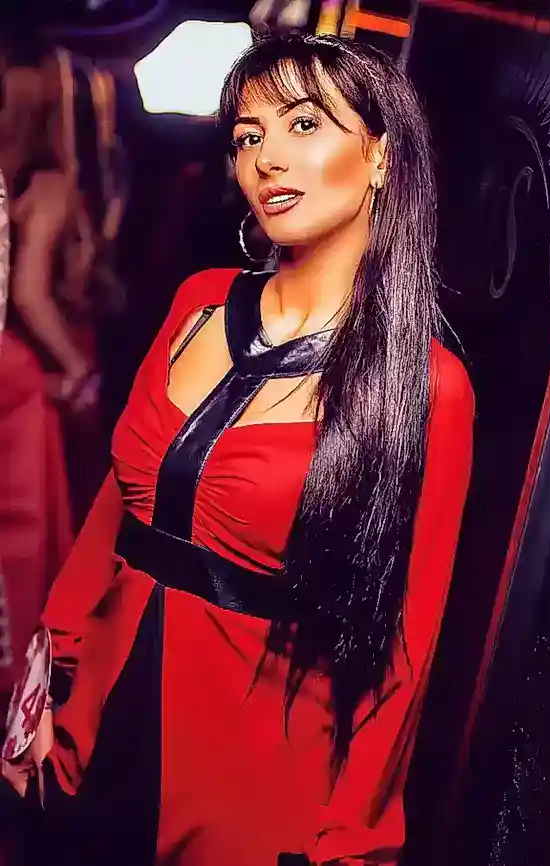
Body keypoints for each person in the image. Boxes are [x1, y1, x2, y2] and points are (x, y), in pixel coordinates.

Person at [2, 34, 474, 866]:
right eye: (248, 136)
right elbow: (113, 515)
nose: (266, 157)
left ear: (379, 156)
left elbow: (405, 643)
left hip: (250, 780)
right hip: (94, 731)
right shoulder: (197, 302)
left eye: (303, 124)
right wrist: (47, 683)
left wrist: (349, 840)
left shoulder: (424, 385)